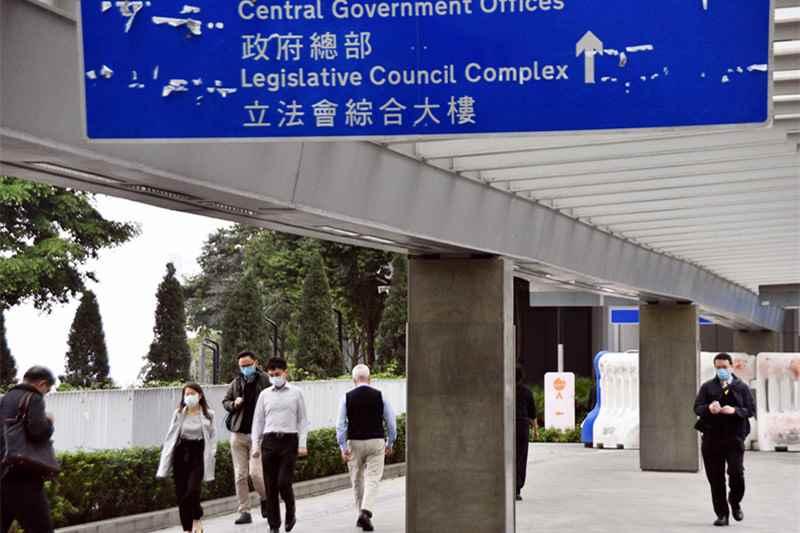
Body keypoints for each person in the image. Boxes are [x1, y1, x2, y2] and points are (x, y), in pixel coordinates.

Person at [694, 353, 756, 527]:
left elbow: (751, 410)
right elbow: (697, 408)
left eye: (724, 367)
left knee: (736, 473)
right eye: (718, 367)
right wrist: (709, 408)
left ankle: (734, 501)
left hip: (734, 438)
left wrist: (735, 411)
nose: (721, 370)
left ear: (731, 366)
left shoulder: (741, 387)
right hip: (712, 438)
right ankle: (722, 514)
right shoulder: (707, 387)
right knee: (716, 479)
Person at [335, 364, 397, 532]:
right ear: (370, 379)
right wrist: (390, 442)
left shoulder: (346, 397)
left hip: (354, 442)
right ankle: (365, 512)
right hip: (376, 441)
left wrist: (342, 446)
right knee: (373, 477)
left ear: (353, 380)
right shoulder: (380, 395)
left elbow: (340, 425)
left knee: (357, 479)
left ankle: (361, 513)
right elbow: (391, 422)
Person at [251, 357, 309, 533]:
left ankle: (291, 512)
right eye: (271, 375)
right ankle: (274, 525)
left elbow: (302, 420)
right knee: (270, 487)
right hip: (269, 441)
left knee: (284, 482)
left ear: (285, 373)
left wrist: (302, 444)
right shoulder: (264, 395)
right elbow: (258, 421)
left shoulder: (296, 393)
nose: (274, 377)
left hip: (289, 441)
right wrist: (255, 444)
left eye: (277, 374)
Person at [0, 366, 56, 533]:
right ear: (42, 383)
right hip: (24, 474)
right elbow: (38, 432)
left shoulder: (6, 399)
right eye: (47, 390)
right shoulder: (34, 397)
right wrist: (49, 422)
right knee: (41, 527)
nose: (45, 393)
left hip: (3, 472)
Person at [157, 383, 218, 533]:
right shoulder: (178, 413)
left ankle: (197, 516)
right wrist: (165, 457)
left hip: (199, 453)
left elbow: (213, 436)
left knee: (192, 490)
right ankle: (187, 529)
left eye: (192, 393)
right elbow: (171, 435)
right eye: (187, 394)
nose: (189, 397)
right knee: (181, 493)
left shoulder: (209, 414)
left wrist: (212, 453)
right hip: (181, 453)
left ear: (200, 395)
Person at [222, 351, 271, 524]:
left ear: (255, 363)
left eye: (248, 365)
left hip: (258, 436)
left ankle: (265, 499)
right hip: (238, 434)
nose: (245, 368)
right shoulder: (236, 382)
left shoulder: (265, 380)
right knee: (240, 475)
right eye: (242, 366)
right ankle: (244, 511)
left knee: (255, 474)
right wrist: (233, 404)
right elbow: (225, 401)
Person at [515, 364, 538, 501]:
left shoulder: (505, 390)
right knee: (521, 457)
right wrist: (535, 430)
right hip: (522, 426)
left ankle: (505, 486)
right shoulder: (526, 391)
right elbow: (532, 413)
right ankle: (516, 490)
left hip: (507, 425)